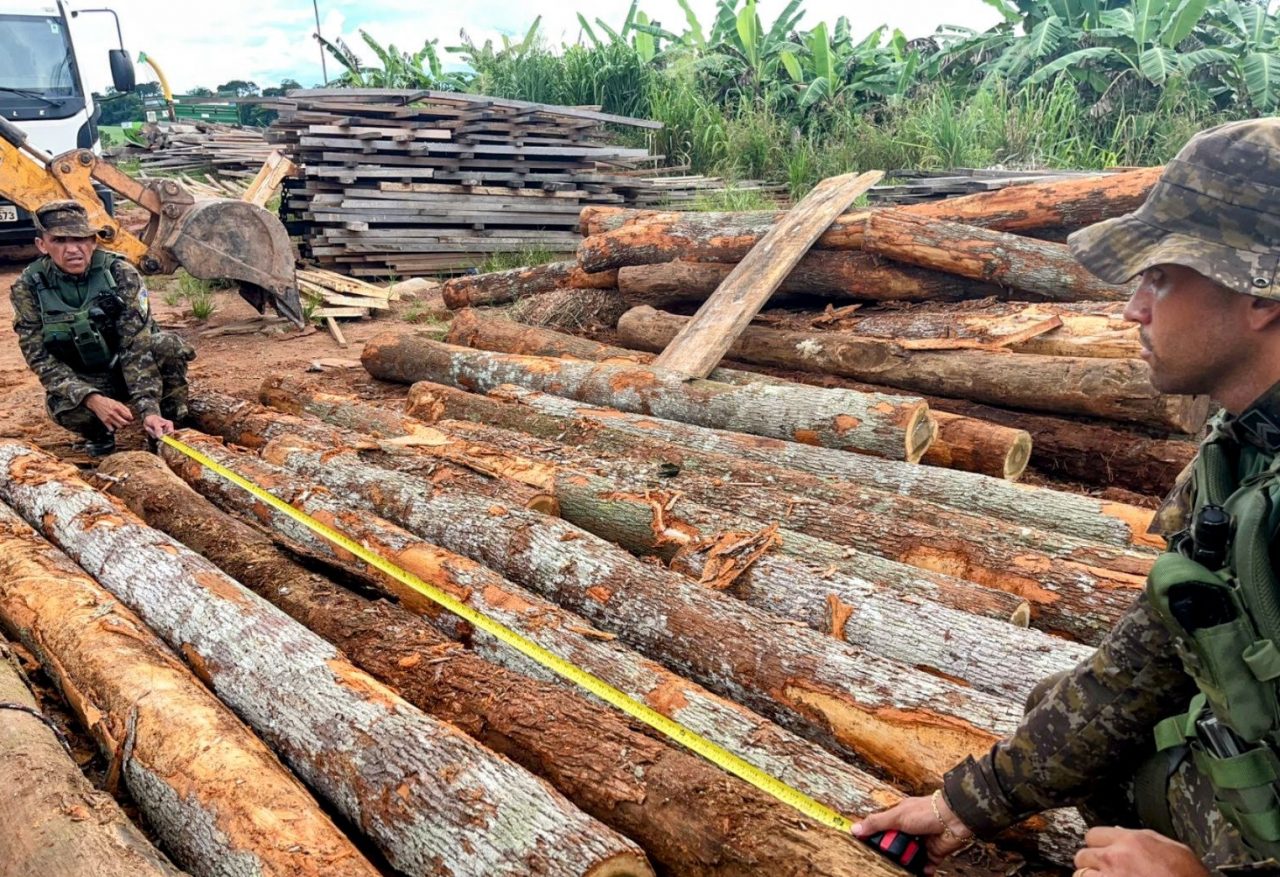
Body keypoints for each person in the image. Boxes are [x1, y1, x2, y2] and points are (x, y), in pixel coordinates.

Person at [855, 117, 1280, 877]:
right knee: (1085, 734)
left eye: (1161, 276)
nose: (1132, 310)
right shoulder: (1240, 443)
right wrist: (968, 803)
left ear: (1261, 294)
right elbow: (1146, 657)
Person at [9, 200, 194, 456]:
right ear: (42, 245)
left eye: (80, 239)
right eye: (60, 241)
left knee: (166, 346)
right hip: (86, 376)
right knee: (66, 406)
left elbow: (136, 346)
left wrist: (149, 409)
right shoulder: (27, 287)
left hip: (126, 366)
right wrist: (92, 398)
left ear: (93, 241)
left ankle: (166, 426)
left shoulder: (120, 274)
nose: (73, 249)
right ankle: (99, 434)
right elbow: (40, 359)